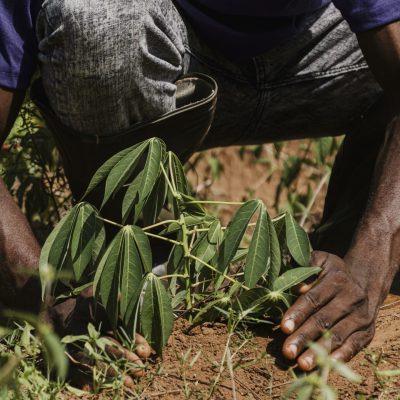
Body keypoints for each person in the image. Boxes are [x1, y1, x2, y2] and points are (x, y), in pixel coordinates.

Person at [0, 0, 399, 375]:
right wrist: (42, 298)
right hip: (168, 50)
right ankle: (138, 258)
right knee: (95, 20)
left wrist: (370, 262)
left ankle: (344, 251)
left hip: (330, 53)